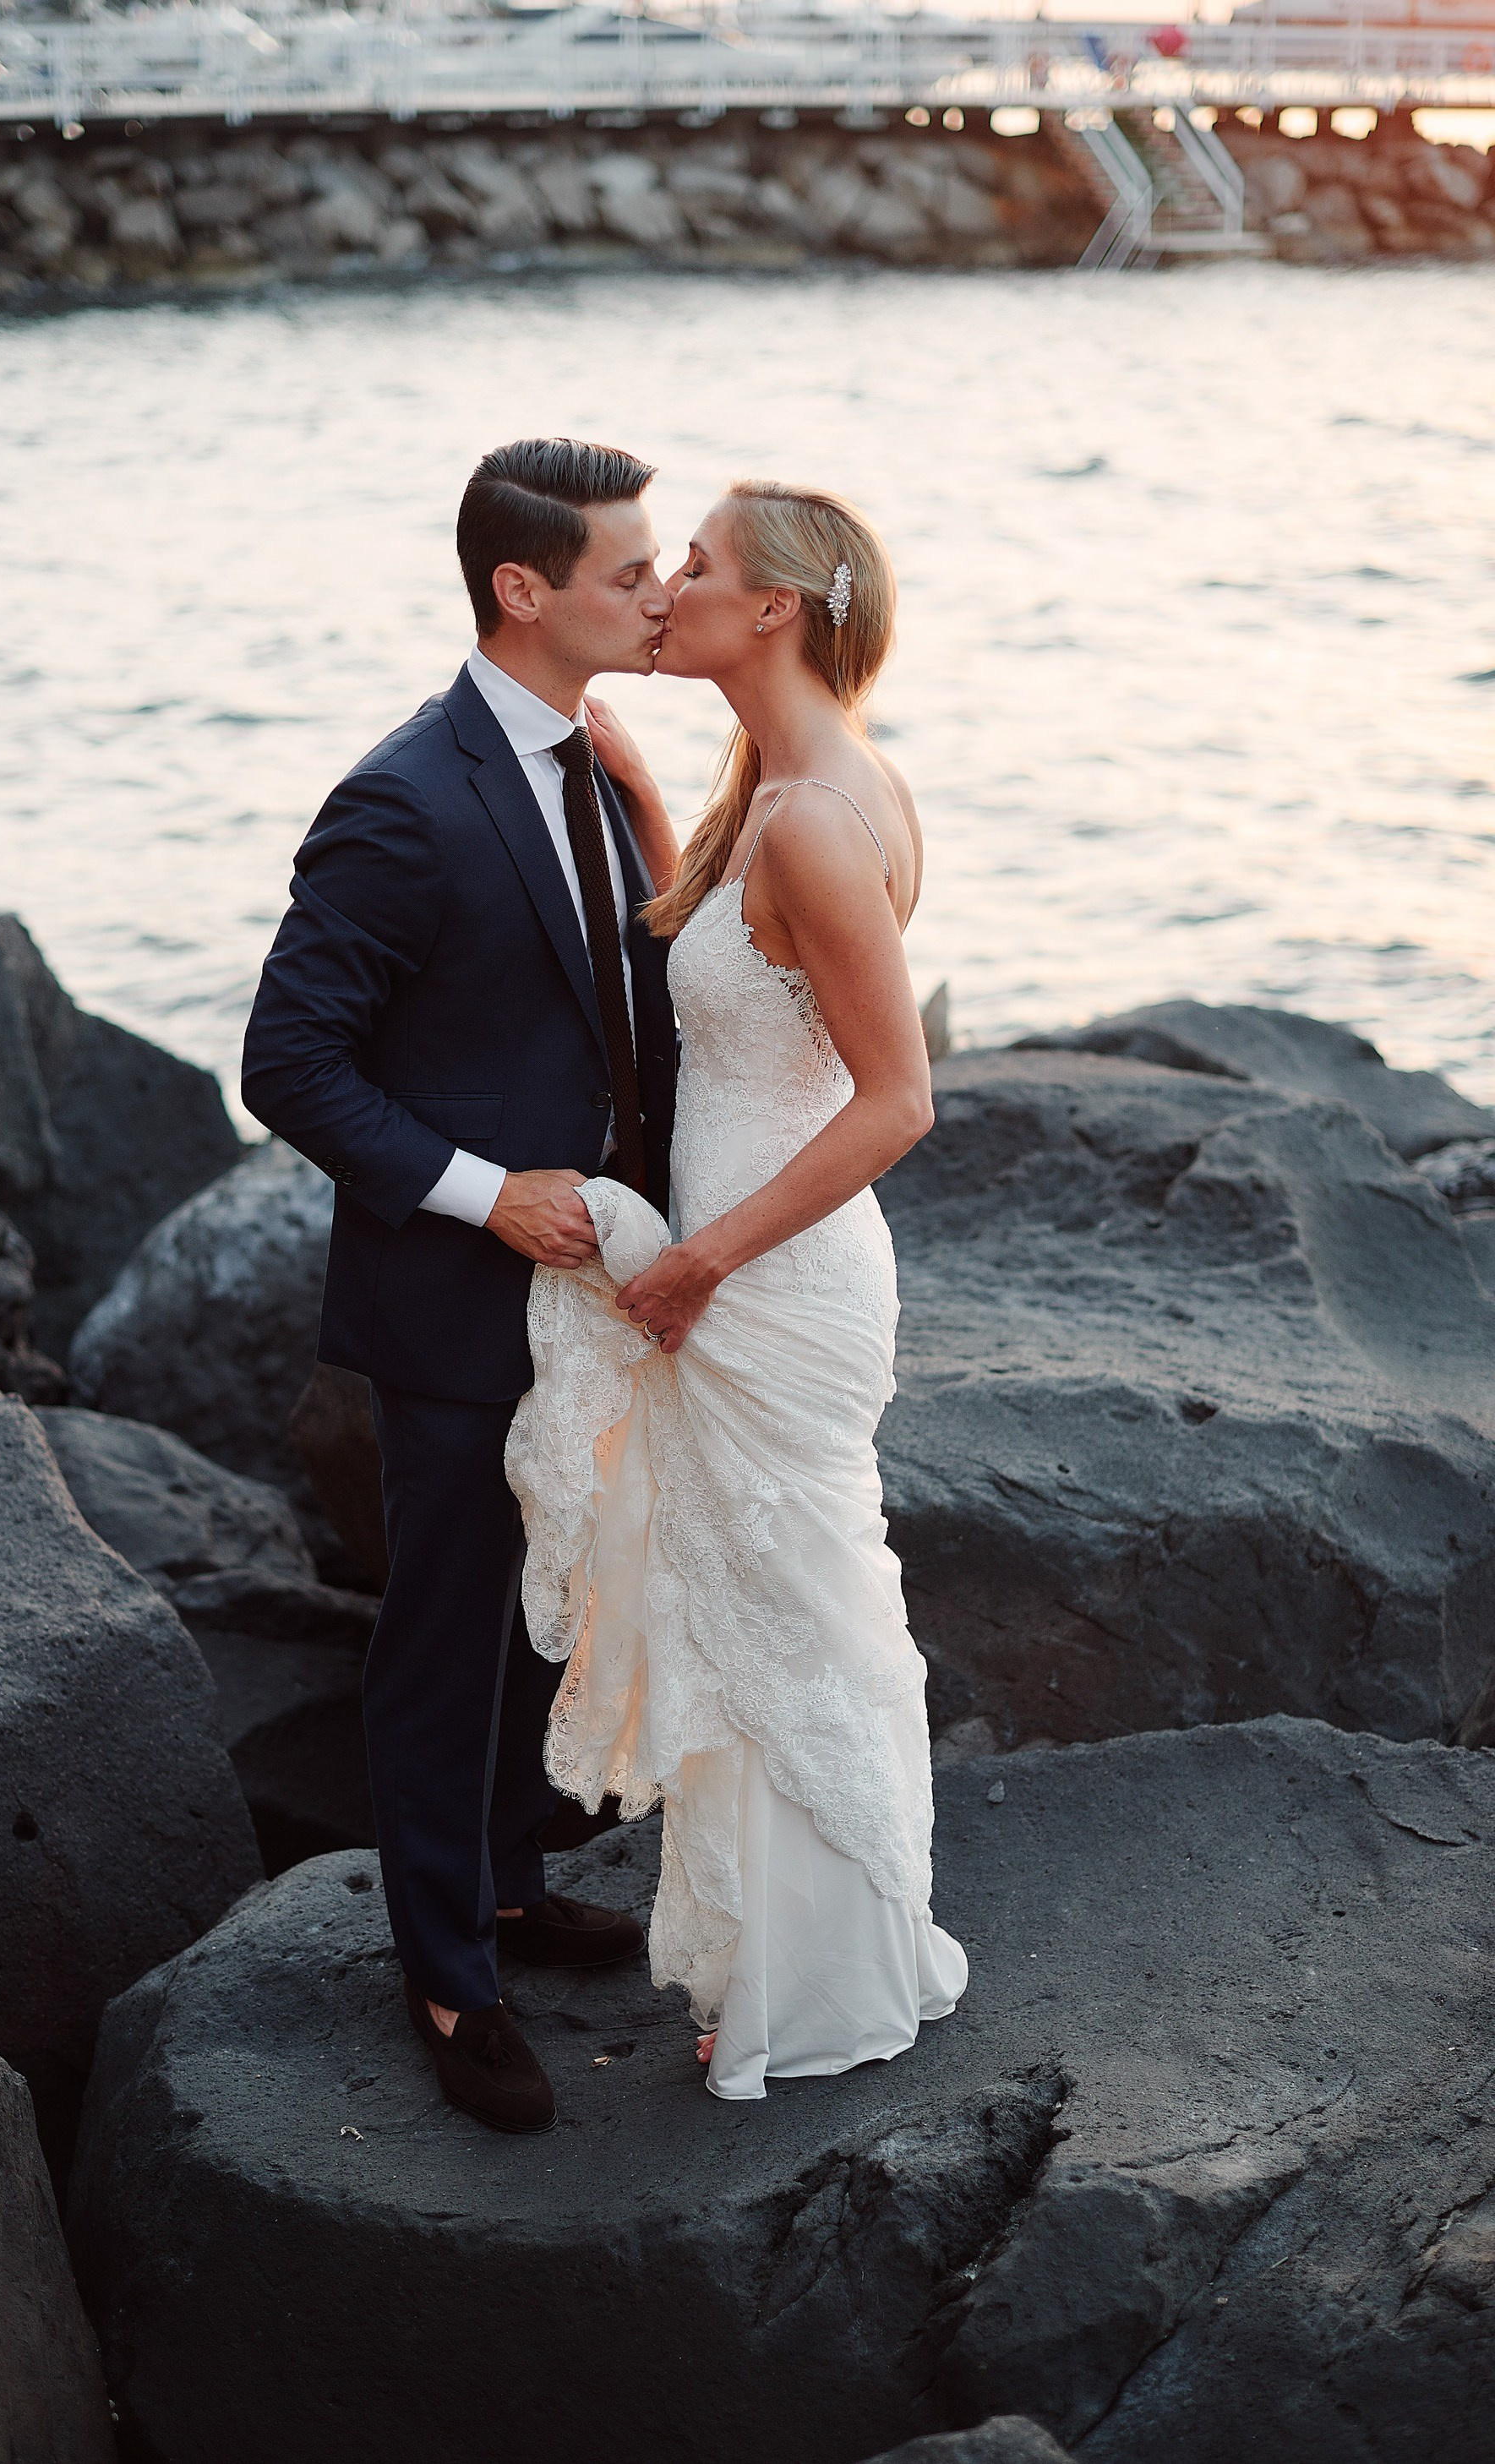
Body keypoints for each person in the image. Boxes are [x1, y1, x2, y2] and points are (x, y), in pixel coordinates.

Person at [506, 480, 968, 2099]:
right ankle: (796, 1953)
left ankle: (824, 1985)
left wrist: (701, 1255)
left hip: (773, 1277)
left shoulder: (823, 820)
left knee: (799, 1614)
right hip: (753, 1264)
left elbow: (896, 1099)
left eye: (694, 565)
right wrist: (633, 787)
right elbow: (736, 965)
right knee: (766, 1608)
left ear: (774, 610)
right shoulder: (778, 789)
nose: (668, 584)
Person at [241, 438, 680, 2135]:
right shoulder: (405, 798)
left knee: (530, 1610)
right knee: (441, 1635)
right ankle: (443, 1973)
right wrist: (489, 1197)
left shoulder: (593, 758)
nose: (659, 592)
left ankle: (503, 1882)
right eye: (629, 571)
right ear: (524, 587)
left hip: (593, 1298)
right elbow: (288, 1062)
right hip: (452, 1303)